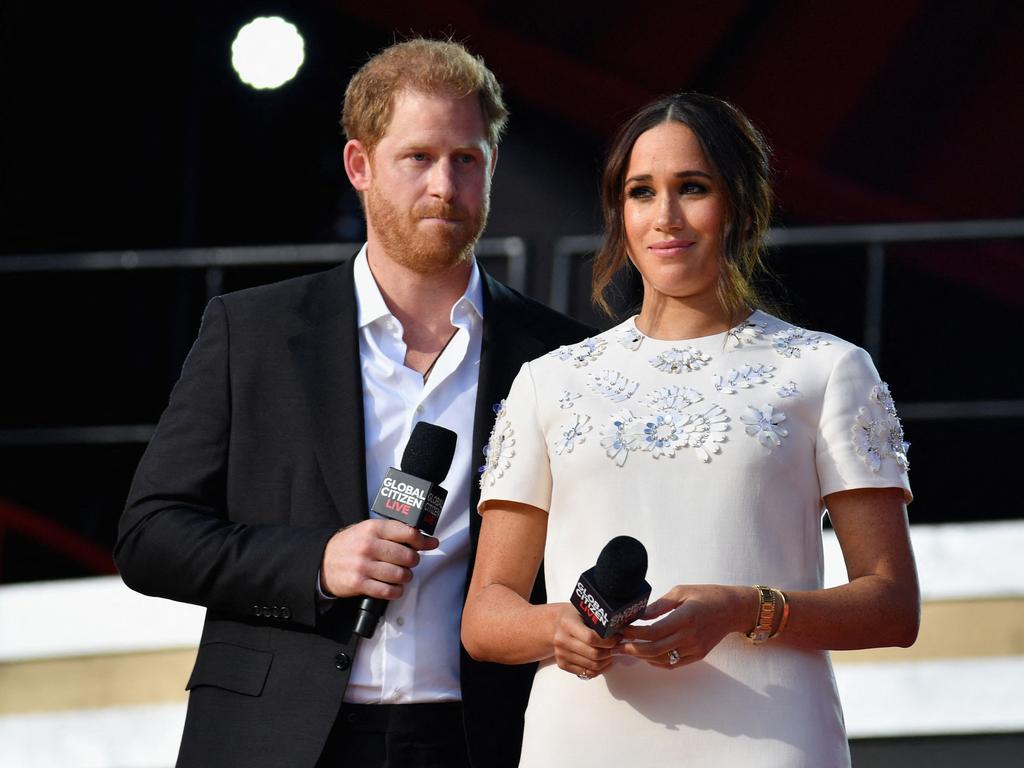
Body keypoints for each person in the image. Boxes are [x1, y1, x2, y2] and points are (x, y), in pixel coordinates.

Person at [115, 39, 591, 768]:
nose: (444, 184)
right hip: (277, 739)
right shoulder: (255, 333)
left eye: (467, 159)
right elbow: (151, 537)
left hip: (481, 737)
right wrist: (317, 562)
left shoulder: (558, 354)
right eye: (418, 157)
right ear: (359, 166)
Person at [461, 92, 920, 767]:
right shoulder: (549, 382)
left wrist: (743, 609)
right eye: (642, 192)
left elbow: (891, 606)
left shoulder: (829, 371)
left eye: (693, 188)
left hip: (770, 740)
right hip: (581, 741)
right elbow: (484, 617)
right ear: (620, 212)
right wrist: (555, 626)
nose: (665, 217)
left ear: (736, 203)